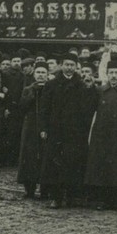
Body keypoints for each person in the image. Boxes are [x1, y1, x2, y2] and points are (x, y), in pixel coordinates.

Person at [39, 53, 97, 208]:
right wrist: (43, 128)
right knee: (55, 163)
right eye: (66, 64)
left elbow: (90, 106)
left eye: (72, 65)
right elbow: (44, 108)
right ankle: (56, 197)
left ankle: (71, 195)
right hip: (56, 130)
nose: (69, 67)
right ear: (61, 65)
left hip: (76, 131)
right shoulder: (52, 84)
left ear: (76, 66)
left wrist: (90, 89)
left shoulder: (82, 84)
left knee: (74, 163)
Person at [84, 60, 117, 210]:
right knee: (102, 169)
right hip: (101, 136)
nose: (113, 76)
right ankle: (102, 200)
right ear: (107, 74)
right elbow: (90, 110)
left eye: (116, 73)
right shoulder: (99, 91)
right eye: (111, 72)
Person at [16, 62, 49, 198]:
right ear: (34, 74)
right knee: (28, 156)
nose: (40, 76)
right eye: (38, 73)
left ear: (47, 75)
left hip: (46, 125)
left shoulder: (51, 88)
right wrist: (33, 93)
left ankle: (45, 189)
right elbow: (22, 107)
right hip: (30, 125)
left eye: (43, 73)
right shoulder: (28, 89)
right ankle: (29, 188)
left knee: (45, 155)